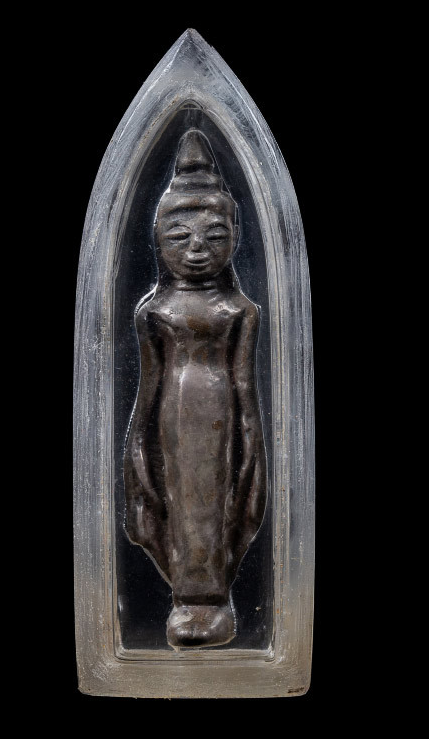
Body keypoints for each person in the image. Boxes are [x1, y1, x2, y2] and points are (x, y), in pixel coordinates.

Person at [124, 129, 266, 648]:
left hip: (222, 413)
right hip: (172, 417)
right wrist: (137, 454)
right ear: (158, 240)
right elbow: (146, 391)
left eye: (214, 236)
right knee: (176, 504)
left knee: (222, 503)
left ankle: (211, 599)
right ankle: (186, 598)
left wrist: (252, 445)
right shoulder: (154, 312)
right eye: (179, 237)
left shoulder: (240, 311)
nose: (197, 250)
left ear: (235, 235)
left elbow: (246, 392)